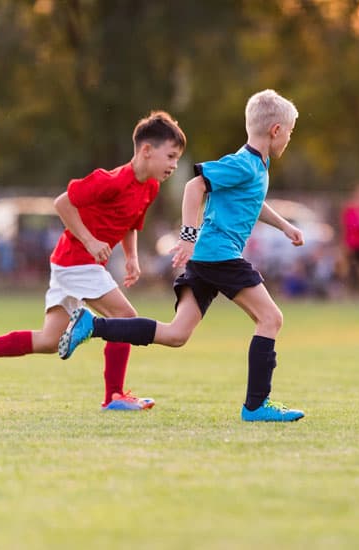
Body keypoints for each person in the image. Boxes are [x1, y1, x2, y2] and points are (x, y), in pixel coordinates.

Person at [57, 89, 305, 422]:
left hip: (208, 258)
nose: (288, 138)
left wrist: (285, 226)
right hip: (219, 255)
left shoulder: (256, 168)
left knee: (176, 335)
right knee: (271, 319)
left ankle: (93, 325)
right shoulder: (244, 163)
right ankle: (256, 406)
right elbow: (194, 187)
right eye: (289, 131)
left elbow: (252, 201)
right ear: (276, 130)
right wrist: (188, 235)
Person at [0, 111, 186, 412]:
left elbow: (132, 222)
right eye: (171, 156)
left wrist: (132, 257)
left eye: (177, 158)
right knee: (125, 318)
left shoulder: (150, 187)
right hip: (76, 260)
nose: (174, 164)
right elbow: (63, 203)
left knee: (47, 340)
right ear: (147, 150)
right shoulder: (110, 181)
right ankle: (114, 396)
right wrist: (90, 241)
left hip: (72, 264)